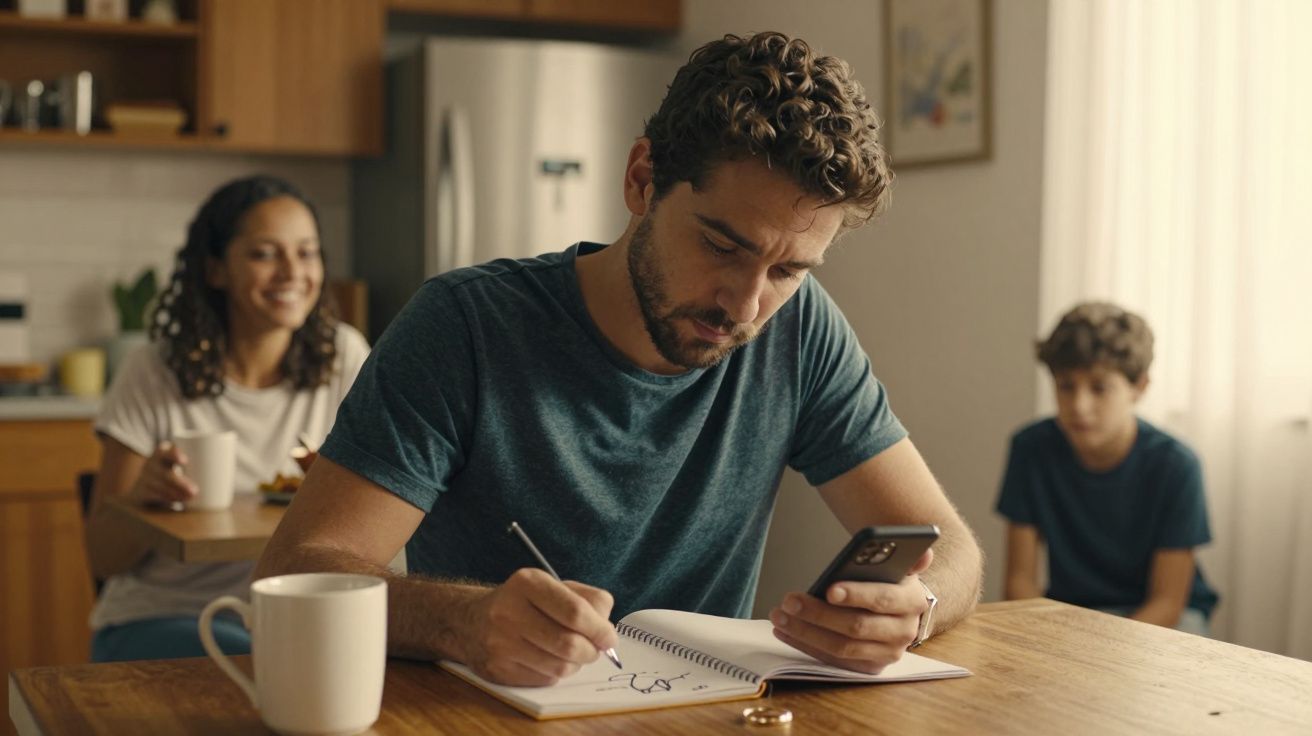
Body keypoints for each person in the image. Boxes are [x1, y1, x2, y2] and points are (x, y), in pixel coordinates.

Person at [254, 31, 984, 686]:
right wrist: (465, 622)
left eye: (790, 271)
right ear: (641, 180)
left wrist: (913, 609)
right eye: (722, 246)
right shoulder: (463, 327)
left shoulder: (800, 333)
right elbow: (294, 571)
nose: (744, 304)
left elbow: (952, 550)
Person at [84, 175, 370, 662]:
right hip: (164, 618)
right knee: (280, 670)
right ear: (215, 270)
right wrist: (139, 502)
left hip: (292, 620)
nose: (291, 272)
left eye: (307, 252)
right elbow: (102, 557)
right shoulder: (155, 369)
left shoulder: (344, 357)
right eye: (264, 253)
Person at [996, 302, 1219, 635]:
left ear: (1139, 387)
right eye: (1065, 386)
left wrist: (1099, 656)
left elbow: (1168, 603)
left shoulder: (1176, 465)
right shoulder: (1031, 448)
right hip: (1070, 612)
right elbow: (1019, 583)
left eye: (1099, 388)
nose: (1079, 405)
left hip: (1160, 620)